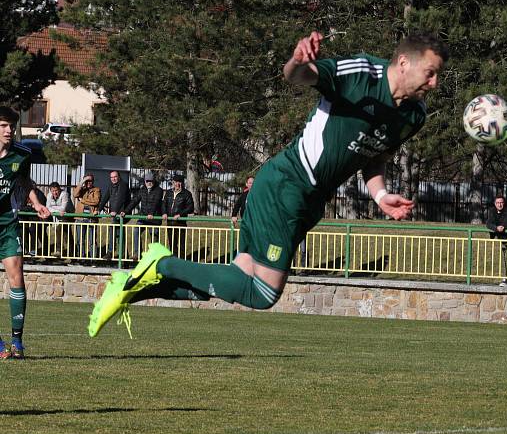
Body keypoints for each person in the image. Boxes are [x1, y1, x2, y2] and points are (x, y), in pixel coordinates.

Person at [87, 30, 447, 340]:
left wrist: (380, 194)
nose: (434, 84)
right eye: (430, 74)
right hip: (287, 184)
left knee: (238, 278)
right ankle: (162, 263)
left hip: (309, 201)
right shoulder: (361, 75)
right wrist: (297, 60)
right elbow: (297, 76)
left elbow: (375, 157)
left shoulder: (412, 116)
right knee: (262, 292)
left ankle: (128, 288)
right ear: (403, 63)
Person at [0, 107, 50, 359]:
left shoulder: (21, 154)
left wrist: (36, 202)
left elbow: (23, 182)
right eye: (3, 126)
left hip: (7, 223)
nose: (9, 130)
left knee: (17, 278)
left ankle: (17, 342)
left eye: (11, 126)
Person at [124, 172, 164, 257]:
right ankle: (137, 253)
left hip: (154, 219)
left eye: (151, 181)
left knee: (154, 236)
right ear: (145, 181)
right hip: (143, 217)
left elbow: (156, 202)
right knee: (136, 230)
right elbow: (134, 201)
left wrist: (151, 213)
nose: (149, 183)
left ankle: (154, 256)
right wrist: (125, 211)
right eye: (147, 181)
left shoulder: (159, 190)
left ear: (154, 181)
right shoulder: (142, 190)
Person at [486, 194, 507, 287]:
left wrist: (502, 227)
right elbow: (488, 223)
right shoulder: (492, 211)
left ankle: (505, 279)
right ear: (494, 204)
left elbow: (506, 223)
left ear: (504, 203)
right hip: (503, 238)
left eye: (501, 202)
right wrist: (496, 228)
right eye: (497, 203)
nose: (499, 205)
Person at [99, 170, 131, 260]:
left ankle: (113, 253)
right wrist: (98, 210)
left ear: (119, 177)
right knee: (117, 234)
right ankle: (122, 257)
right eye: (112, 177)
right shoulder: (111, 186)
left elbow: (121, 199)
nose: (113, 179)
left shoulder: (123, 185)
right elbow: (105, 197)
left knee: (115, 231)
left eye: (115, 177)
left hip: (122, 214)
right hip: (116, 215)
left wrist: (115, 211)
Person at [162, 174, 194, 258]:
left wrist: (180, 214)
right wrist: (164, 213)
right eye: (176, 182)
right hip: (170, 222)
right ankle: (174, 260)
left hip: (180, 223)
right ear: (173, 182)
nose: (177, 184)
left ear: (182, 183)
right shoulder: (168, 192)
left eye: (179, 182)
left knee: (182, 244)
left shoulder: (187, 194)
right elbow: (164, 204)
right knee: (172, 243)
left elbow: (190, 208)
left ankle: (182, 262)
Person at [73, 174, 101, 261]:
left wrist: (83, 200)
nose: (89, 183)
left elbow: (96, 201)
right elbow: (75, 194)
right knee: (79, 240)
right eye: (87, 181)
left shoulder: (96, 190)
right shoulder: (81, 190)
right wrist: (82, 182)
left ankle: (93, 260)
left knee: (92, 241)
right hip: (80, 218)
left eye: (91, 181)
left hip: (91, 218)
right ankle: (82, 259)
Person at [17, 183, 48, 257]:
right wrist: (31, 207)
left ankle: (42, 253)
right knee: (23, 231)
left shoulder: (40, 194)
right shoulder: (24, 193)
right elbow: (21, 206)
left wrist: (32, 207)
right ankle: (28, 251)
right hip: (26, 218)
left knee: (37, 232)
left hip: (39, 219)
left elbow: (40, 207)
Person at [45, 181, 73, 259]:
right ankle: (68, 253)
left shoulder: (64, 194)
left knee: (63, 232)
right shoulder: (49, 195)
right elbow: (47, 207)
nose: (55, 192)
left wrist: (53, 208)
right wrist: (57, 210)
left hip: (68, 215)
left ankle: (64, 252)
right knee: (65, 233)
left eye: (56, 190)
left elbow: (63, 208)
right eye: (53, 191)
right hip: (58, 216)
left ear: (59, 189)